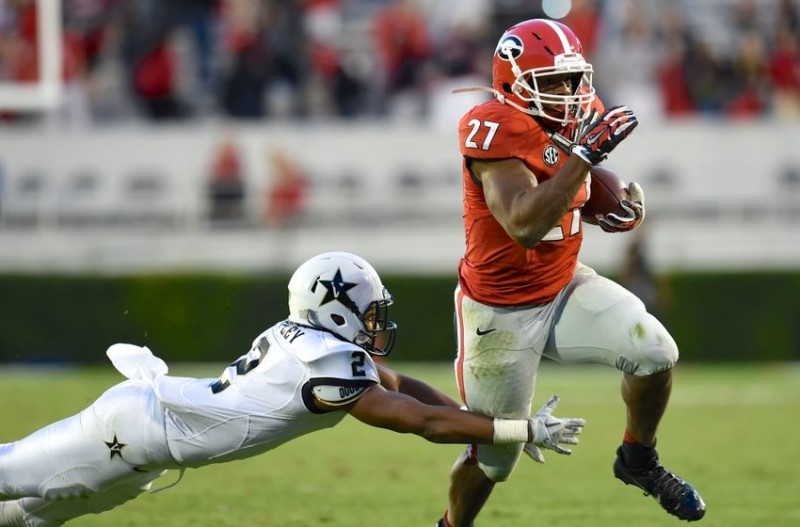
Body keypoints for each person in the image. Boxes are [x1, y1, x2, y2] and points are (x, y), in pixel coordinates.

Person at [0, 251, 586, 527]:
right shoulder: (325, 365)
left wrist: (474, 417)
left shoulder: (312, 346)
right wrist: (516, 428)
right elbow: (416, 420)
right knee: (10, 475)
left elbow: (403, 385)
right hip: (133, 433)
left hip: (147, 444)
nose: (375, 321)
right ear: (333, 311)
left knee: (30, 519)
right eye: (367, 310)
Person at [437, 18, 706, 527]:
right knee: (495, 460)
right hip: (500, 311)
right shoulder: (492, 125)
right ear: (513, 84)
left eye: (572, 79)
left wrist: (610, 207)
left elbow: (569, 188)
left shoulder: (581, 113)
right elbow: (523, 222)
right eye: (552, 83)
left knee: (655, 351)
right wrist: (585, 156)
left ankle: (638, 460)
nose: (568, 93)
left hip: (563, 287)